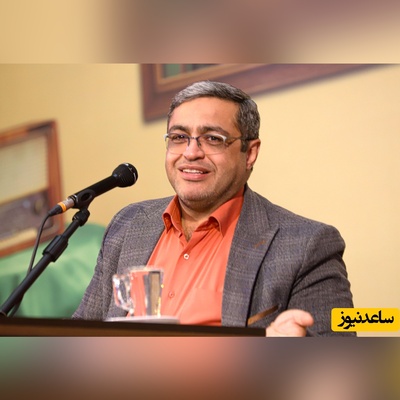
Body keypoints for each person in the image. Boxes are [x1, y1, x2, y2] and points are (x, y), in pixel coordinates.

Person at [72, 81, 354, 336]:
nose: (191, 153)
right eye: (179, 137)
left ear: (250, 153)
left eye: (213, 139)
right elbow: (80, 332)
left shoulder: (307, 245)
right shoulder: (129, 224)